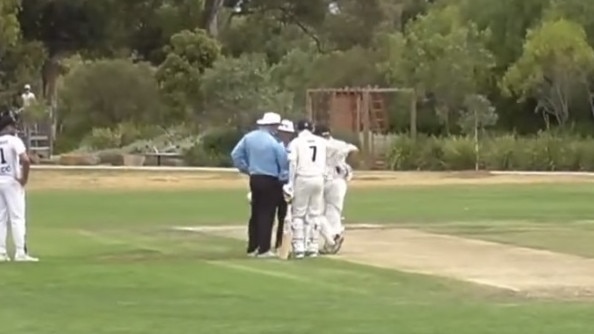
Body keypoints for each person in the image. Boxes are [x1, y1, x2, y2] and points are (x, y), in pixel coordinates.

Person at [231, 112, 288, 258]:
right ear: (273, 125)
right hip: (271, 179)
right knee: (267, 214)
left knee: (255, 213)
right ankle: (264, 248)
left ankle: (252, 246)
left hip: (255, 178)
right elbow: (283, 164)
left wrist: (246, 168)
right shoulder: (274, 143)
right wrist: (284, 178)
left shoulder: (249, 137)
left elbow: (235, 154)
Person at [284, 119, 327, 258]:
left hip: (303, 178)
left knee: (298, 214)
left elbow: (292, 163)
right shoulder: (321, 142)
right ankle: (313, 246)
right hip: (319, 178)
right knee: (315, 214)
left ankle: (299, 246)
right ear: (312, 129)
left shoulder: (296, 142)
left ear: (298, 129)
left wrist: (290, 183)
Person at [314, 124, 358, 255]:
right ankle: (335, 235)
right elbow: (354, 149)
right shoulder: (340, 144)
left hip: (321, 179)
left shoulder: (317, 144)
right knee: (334, 211)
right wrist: (345, 165)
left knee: (317, 212)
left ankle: (332, 237)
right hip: (339, 181)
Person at [0, 107, 37, 262]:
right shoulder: (14, 140)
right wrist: (24, 179)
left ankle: (1, 252)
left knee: (1, 218)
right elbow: (25, 159)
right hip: (12, 181)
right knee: (17, 217)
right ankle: (20, 252)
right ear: (8, 127)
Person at [274, 119, 295, 251]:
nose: (284, 135)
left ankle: (287, 242)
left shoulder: (294, 146)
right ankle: (278, 242)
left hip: (291, 182)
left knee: (289, 214)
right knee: (279, 214)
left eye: (287, 132)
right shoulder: (277, 146)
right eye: (282, 132)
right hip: (278, 182)